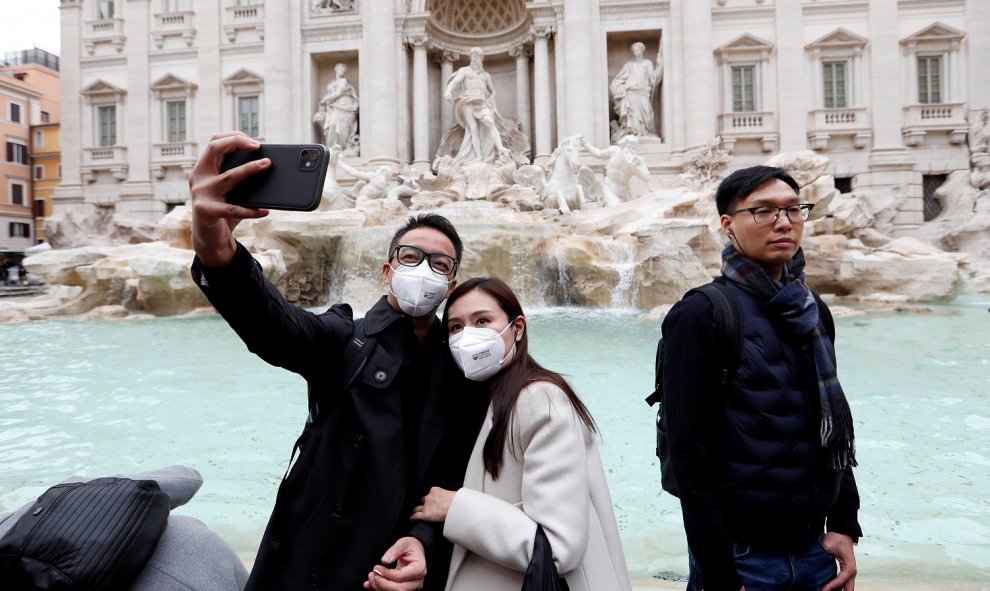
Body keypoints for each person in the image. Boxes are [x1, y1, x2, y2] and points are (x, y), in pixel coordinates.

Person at [187, 131, 489, 591]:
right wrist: (214, 245)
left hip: (393, 571)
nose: (424, 269)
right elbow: (273, 324)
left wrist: (424, 541)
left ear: (450, 285)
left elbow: (454, 475)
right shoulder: (344, 337)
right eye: (411, 257)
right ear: (388, 270)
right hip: (310, 564)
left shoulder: (461, 370)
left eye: (440, 264)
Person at [662, 165, 862, 591]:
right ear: (727, 224)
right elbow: (688, 453)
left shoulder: (813, 310)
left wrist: (845, 524)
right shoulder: (700, 315)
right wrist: (718, 567)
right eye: (764, 211)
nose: (784, 222)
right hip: (740, 556)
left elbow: (832, 430)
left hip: (816, 549)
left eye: (794, 210)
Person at [410, 277, 632, 591]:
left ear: (517, 328)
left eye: (483, 321)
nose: (467, 335)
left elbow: (558, 549)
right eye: (456, 327)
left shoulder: (539, 400)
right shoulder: (490, 399)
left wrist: (455, 508)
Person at [443, 47, 511, 165]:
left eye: (478, 56)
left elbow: (493, 91)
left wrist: (491, 99)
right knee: (473, 129)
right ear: (470, 58)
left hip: (481, 102)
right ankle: (479, 157)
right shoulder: (464, 71)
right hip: (467, 101)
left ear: (482, 58)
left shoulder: (485, 76)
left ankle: (500, 147)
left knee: (490, 122)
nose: (475, 58)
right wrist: (448, 91)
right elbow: (455, 82)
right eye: (473, 55)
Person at [609, 42, 663, 138]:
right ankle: (635, 133)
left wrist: (659, 66)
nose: (635, 52)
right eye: (634, 50)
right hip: (630, 92)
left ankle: (648, 132)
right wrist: (619, 89)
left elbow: (653, 80)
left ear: (642, 50)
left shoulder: (647, 63)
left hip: (643, 92)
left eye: (637, 50)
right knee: (633, 114)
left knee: (646, 111)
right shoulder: (629, 65)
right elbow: (619, 79)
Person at [583, 135, 651, 206]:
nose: (631, 150)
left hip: (624, 195)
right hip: (609, 191)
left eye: (633, 148)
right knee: (615, 207)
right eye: (628, 147)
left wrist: (634, 167)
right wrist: (585, 144)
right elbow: (598, 153)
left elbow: (646, 177)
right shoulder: (614, 151)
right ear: (622, 146)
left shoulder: (638, 161)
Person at [314, 63, 359, 152]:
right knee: (332, 124)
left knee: (342, 125)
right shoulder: (332, 83)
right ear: (336, 70)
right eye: (340, 70)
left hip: (344, 105)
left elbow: (338, 93)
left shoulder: (344, 81)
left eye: (343, 70)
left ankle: (341, 146)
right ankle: (331, 147)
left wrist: (325, 99)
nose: (342, 72)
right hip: (334, 107)